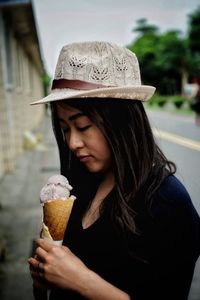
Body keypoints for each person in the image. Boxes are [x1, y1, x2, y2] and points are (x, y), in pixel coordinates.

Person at [28, 41, 200, 300]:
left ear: (121, 122)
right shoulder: (79, 183)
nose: (72, 143)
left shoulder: (168, 202)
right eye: (65, 128)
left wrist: (82, 280)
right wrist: (46, 279)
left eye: (83, 126)